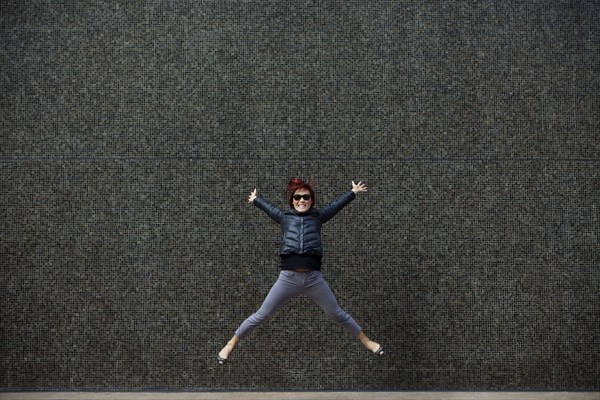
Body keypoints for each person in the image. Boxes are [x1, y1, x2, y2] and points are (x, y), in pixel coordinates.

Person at [217, 178, 383, 364]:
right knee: (262, 314)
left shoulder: (318, 217)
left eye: (306, 197)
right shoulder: (285, 218)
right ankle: (231, 343)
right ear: (292, 200)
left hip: (314, 279)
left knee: (336, 313)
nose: (302, 200)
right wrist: (256, 199)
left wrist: (352, 193)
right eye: (298, 197)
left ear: (311, 200)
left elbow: (336, 206)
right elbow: (270, 209)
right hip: (288, 278)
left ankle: (366, 341)